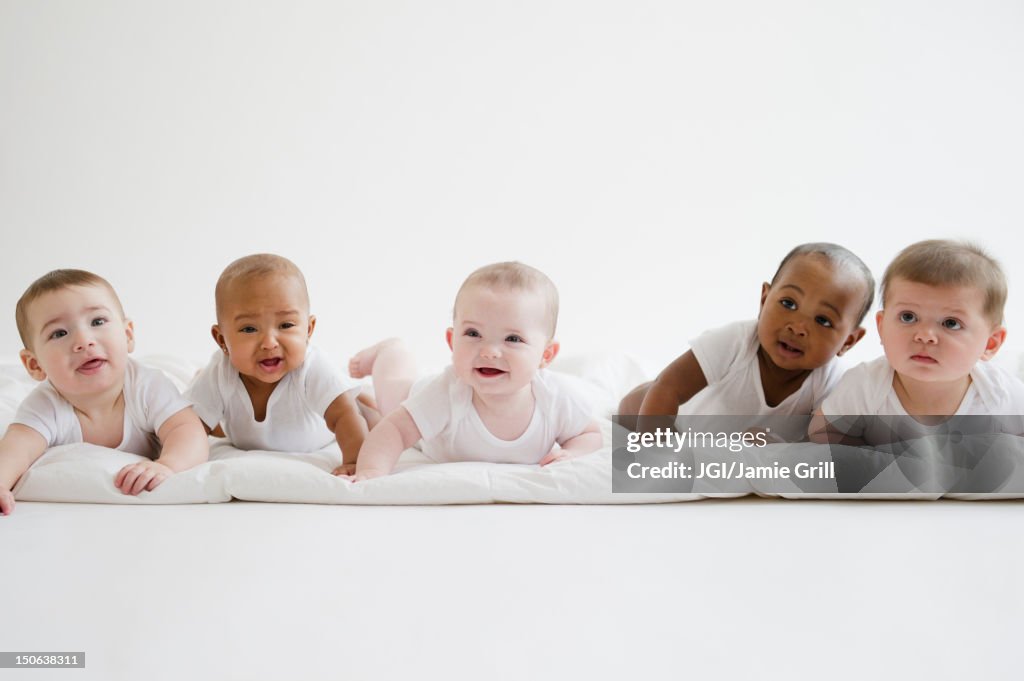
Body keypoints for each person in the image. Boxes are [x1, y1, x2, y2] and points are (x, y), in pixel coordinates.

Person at [345, 262, 603, 481]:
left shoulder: (554, 398)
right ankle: (391, 351)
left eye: (512, 339)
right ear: (452, 341)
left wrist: (574, 453)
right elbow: (395, 431)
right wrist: (370, 472)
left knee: (375, 415)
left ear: (545, 356)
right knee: (393, 395)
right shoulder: (445, 393)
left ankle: (366, 404)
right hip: (422, 419)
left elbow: (589, 433)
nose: (489, 351)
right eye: (473, 334)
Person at [0, 269, 209, 515]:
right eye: (59, 333)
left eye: (97, 322)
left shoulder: (147, 386)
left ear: (128, 334)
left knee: (199, 399)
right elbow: (17, 447)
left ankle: (198, 376)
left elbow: (188, 431)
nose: (84, 340)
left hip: (169, 384)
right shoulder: (45, 404)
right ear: (34, 365)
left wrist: (168, 465)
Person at [618, 243, 873, 432]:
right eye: (788, 303)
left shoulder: (832, 381)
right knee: (639, 402)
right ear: (764, 299)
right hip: (677, 418)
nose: (798, 327)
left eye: (823, 320)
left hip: (728, 443)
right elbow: (669, 387)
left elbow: (823, 441)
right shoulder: (735, 342)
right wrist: (654, 450)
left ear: (848, 341)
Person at [811, 240, 1024, 445]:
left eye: (951, 323)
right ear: (882, 327)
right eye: (908, 317)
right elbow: (822, 430)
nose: (924, 335)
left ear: (990, 344)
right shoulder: (865, 386)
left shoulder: (999, 395)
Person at [186, 254, 371, 475]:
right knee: (202, 418)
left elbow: (344, 417)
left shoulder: (311, 367)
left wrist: (356, 462)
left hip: (328, 422)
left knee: (373, 419)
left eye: (286, 325)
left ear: (308, 330)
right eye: (249, 329)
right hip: (242, 433)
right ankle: (198, 380)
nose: (269, 343)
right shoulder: (220, 371)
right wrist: (169, 457)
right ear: (221, 340)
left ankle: (358, 394)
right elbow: (187, 426)